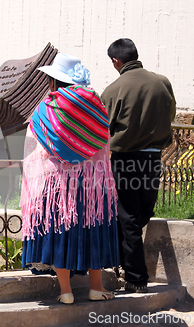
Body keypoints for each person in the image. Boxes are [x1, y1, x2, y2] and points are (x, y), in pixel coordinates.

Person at [21, 53, 119, 304]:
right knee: (92, 230)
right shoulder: (95, 104)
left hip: (56, 186)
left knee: (59, 231)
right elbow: (103, 143)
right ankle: (96, 287)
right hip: (91, 186)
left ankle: (66, 292)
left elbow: (36, 148)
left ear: (55, 81)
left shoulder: (46, 108)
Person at [101, 38, 176, 293]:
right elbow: (171, 113)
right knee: (142, 213)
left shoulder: (112, 90)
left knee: (129, 218)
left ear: (116, 61)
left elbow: (104, 129)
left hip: (125, 160)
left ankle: (135, 277)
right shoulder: (162, 82)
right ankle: (124, 264)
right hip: (153, 158)